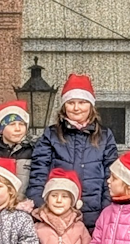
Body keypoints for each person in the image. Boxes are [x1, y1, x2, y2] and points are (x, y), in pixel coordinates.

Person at [28, 74, 120, 228]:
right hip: (57, 213)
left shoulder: (105, 135)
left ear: (91, 105)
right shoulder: (51, 135)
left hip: (94, 214)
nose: (76, 108)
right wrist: (40, 206)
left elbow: (111, 174)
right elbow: (38, 173)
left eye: (82, 102)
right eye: (71, 103)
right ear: (64, 106)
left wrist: (107, 210)